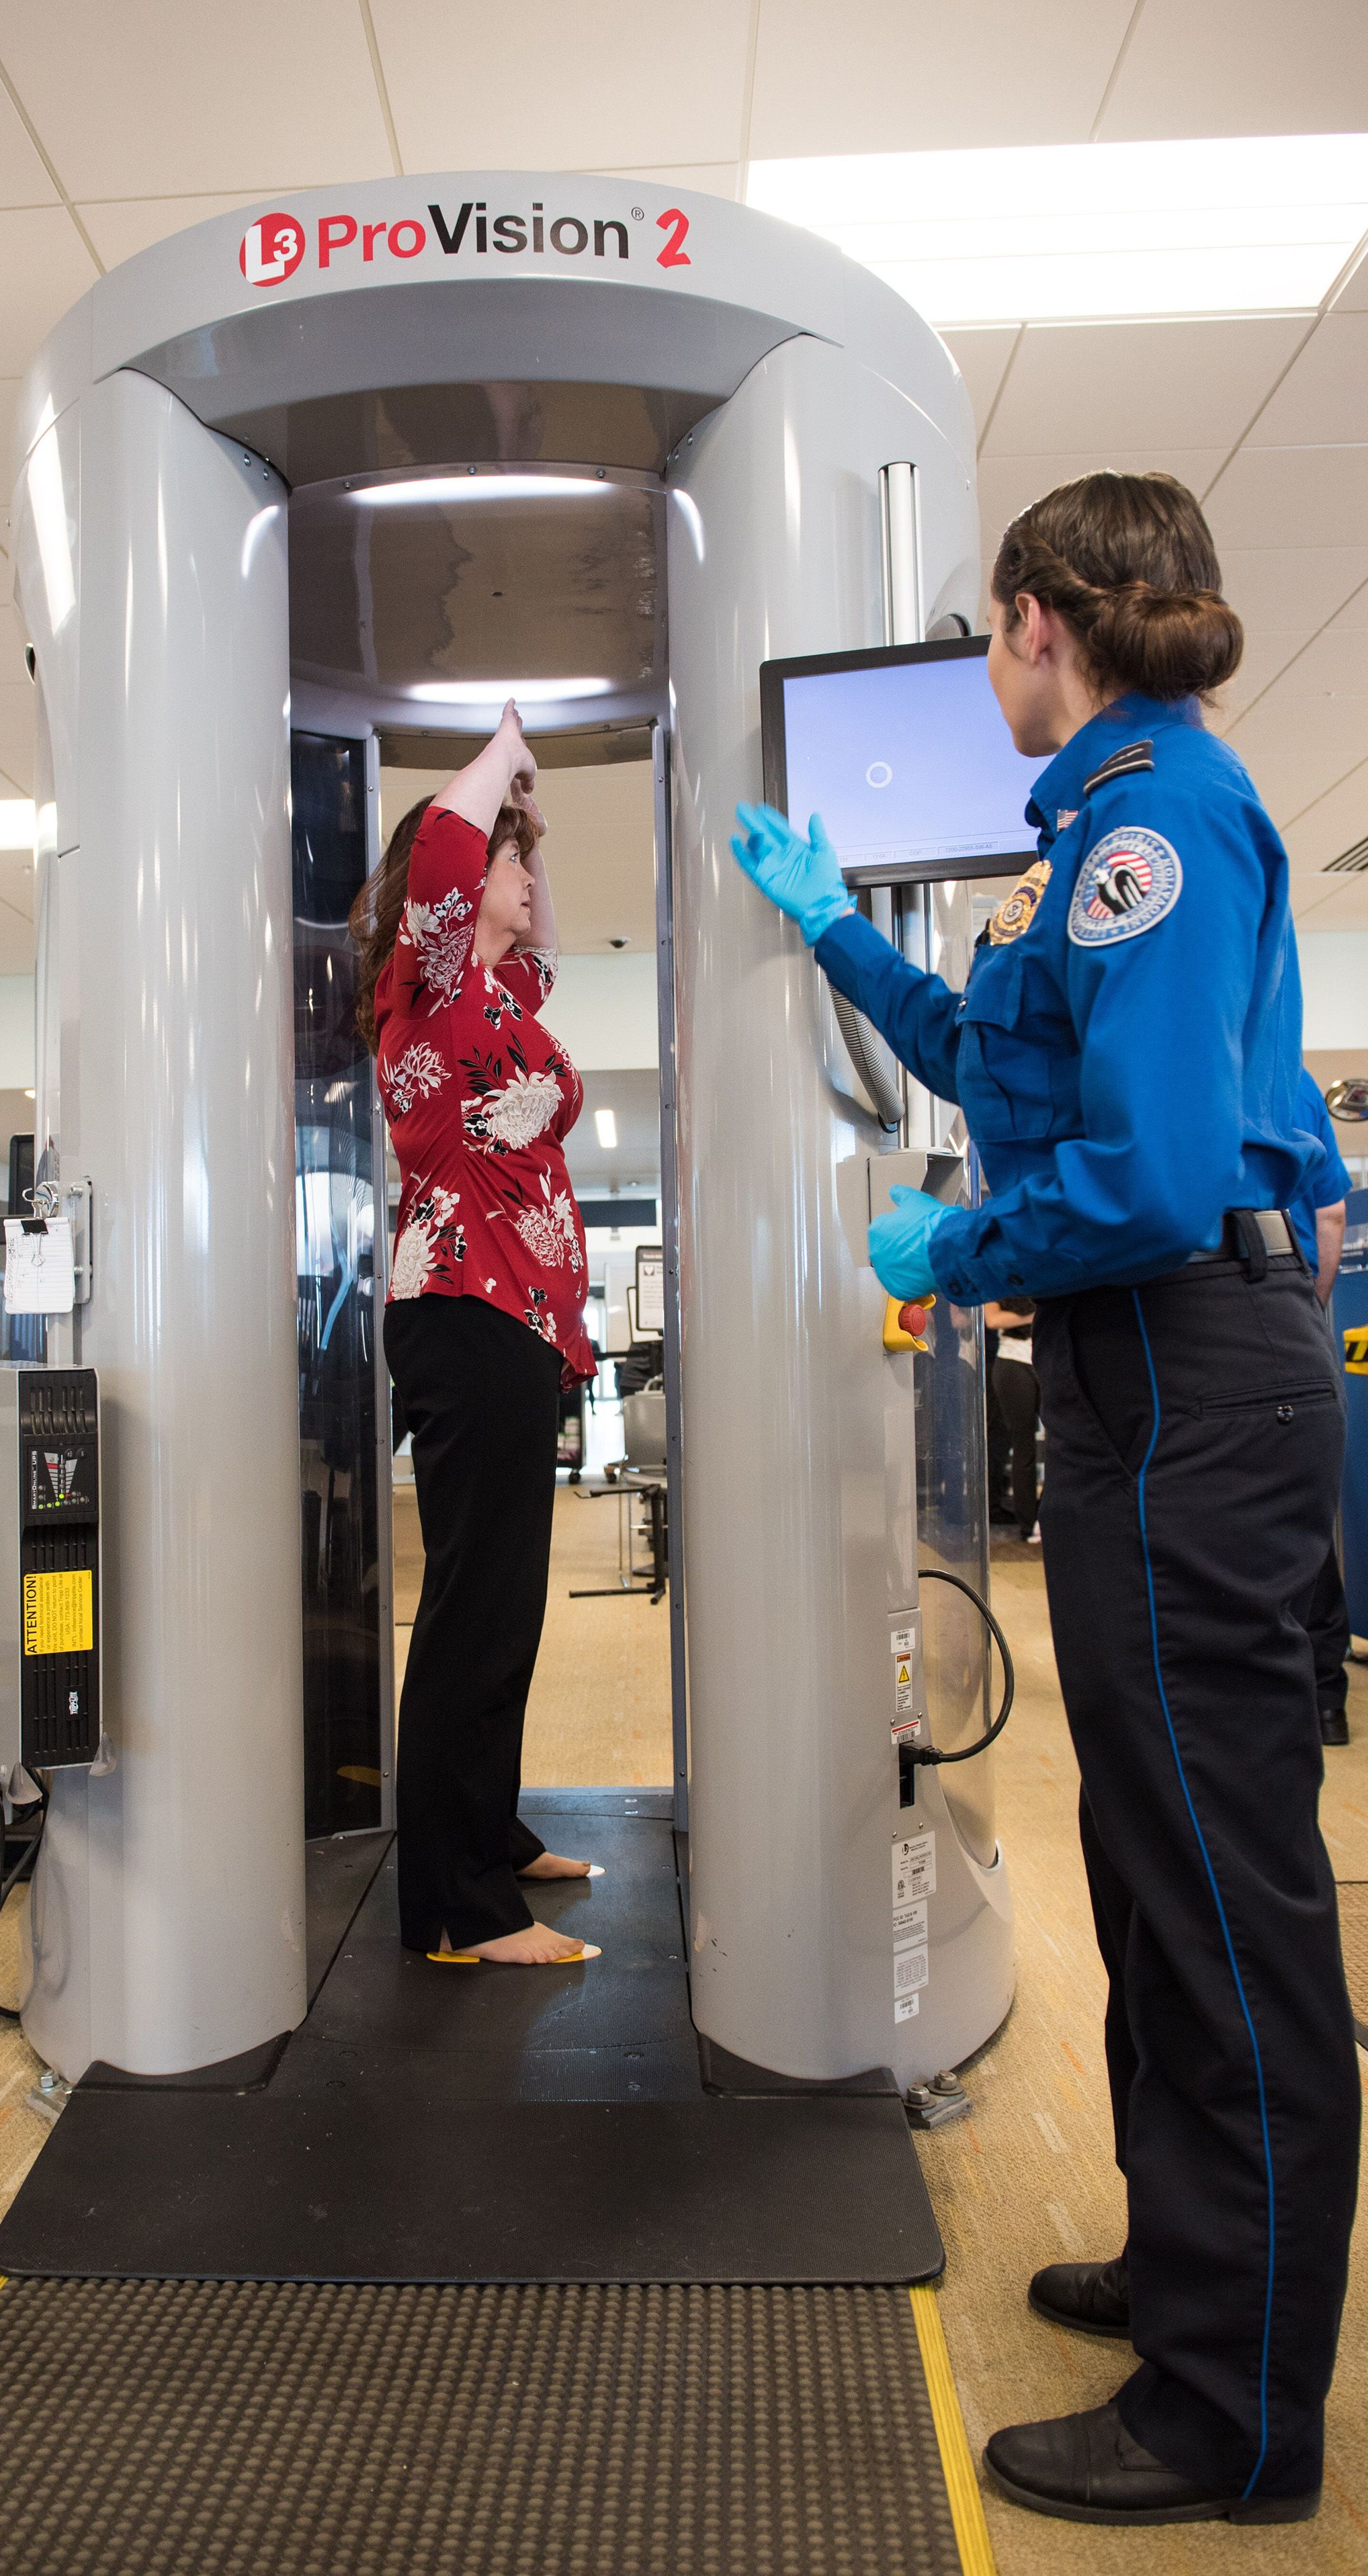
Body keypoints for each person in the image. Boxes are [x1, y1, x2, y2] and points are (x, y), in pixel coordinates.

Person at [733, 471, 1356, 2527]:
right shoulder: (1083, 834)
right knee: (1151, 1869)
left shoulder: (1152, 827)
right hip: (1134, 1392)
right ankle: (1194, 2276)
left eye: (982, 638)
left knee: (1222, 1906)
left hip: (1180, 1375)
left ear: (1029, 623)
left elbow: (1154, 1180)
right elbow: (1013, 1079)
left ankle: (1229, 2415)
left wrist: (953, 1254)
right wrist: (831, 933)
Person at [351, 702, 601, 1967]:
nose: (520, 872)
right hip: (463, 1311)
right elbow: (450, 852)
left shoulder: (507, 991)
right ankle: (459, 1909)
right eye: (511, 856)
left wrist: (529, 826)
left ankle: (486, 1832)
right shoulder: (432, 982)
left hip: (515, 1321)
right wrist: (505, 750)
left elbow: (535, 930)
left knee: (505, 1607)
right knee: (472, 1610)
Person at [1287, 1067, 1355, 1744]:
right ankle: (1325, 1701)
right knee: (1305, 1527)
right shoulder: (1298, 1082)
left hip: (1200, 1313)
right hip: (1293, 1313)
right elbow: (1331, 1209)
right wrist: (1308, 1305)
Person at [982, 1295, 1040, 1541]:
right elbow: (993, 1319)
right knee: (1023, 1446)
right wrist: (1035, 1315)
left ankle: (1048, 1515)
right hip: (1013, 1363)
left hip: (1049, 1357)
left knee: (1064, 1443)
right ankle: (1029, 1523)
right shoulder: (999, 1275)